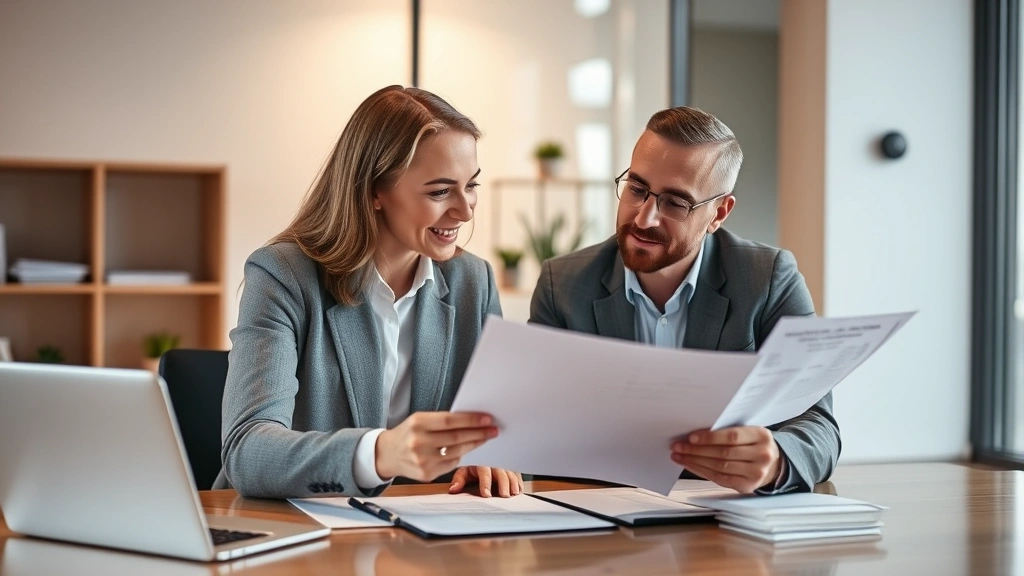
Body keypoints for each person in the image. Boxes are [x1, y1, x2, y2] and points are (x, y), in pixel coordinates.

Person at [216, 86, 521, 499]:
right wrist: (380, 454)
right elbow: (248, 451)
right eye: (439, 191)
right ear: (375, 190)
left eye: (471, 186)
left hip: (424, 538)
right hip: (296, 531)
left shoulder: (474, 283)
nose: (465, 211)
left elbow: (500, 432)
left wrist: (495, 456)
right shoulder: (283, 275)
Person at [529, 106, 840, 494]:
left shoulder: (769, 279)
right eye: (636, 189)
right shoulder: (564, 284)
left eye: (675, 203)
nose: (644, 218)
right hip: (602, 521)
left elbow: (818, 424)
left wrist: (776, 459)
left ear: (718, 213)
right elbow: (532, 420)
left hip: (724, 524)